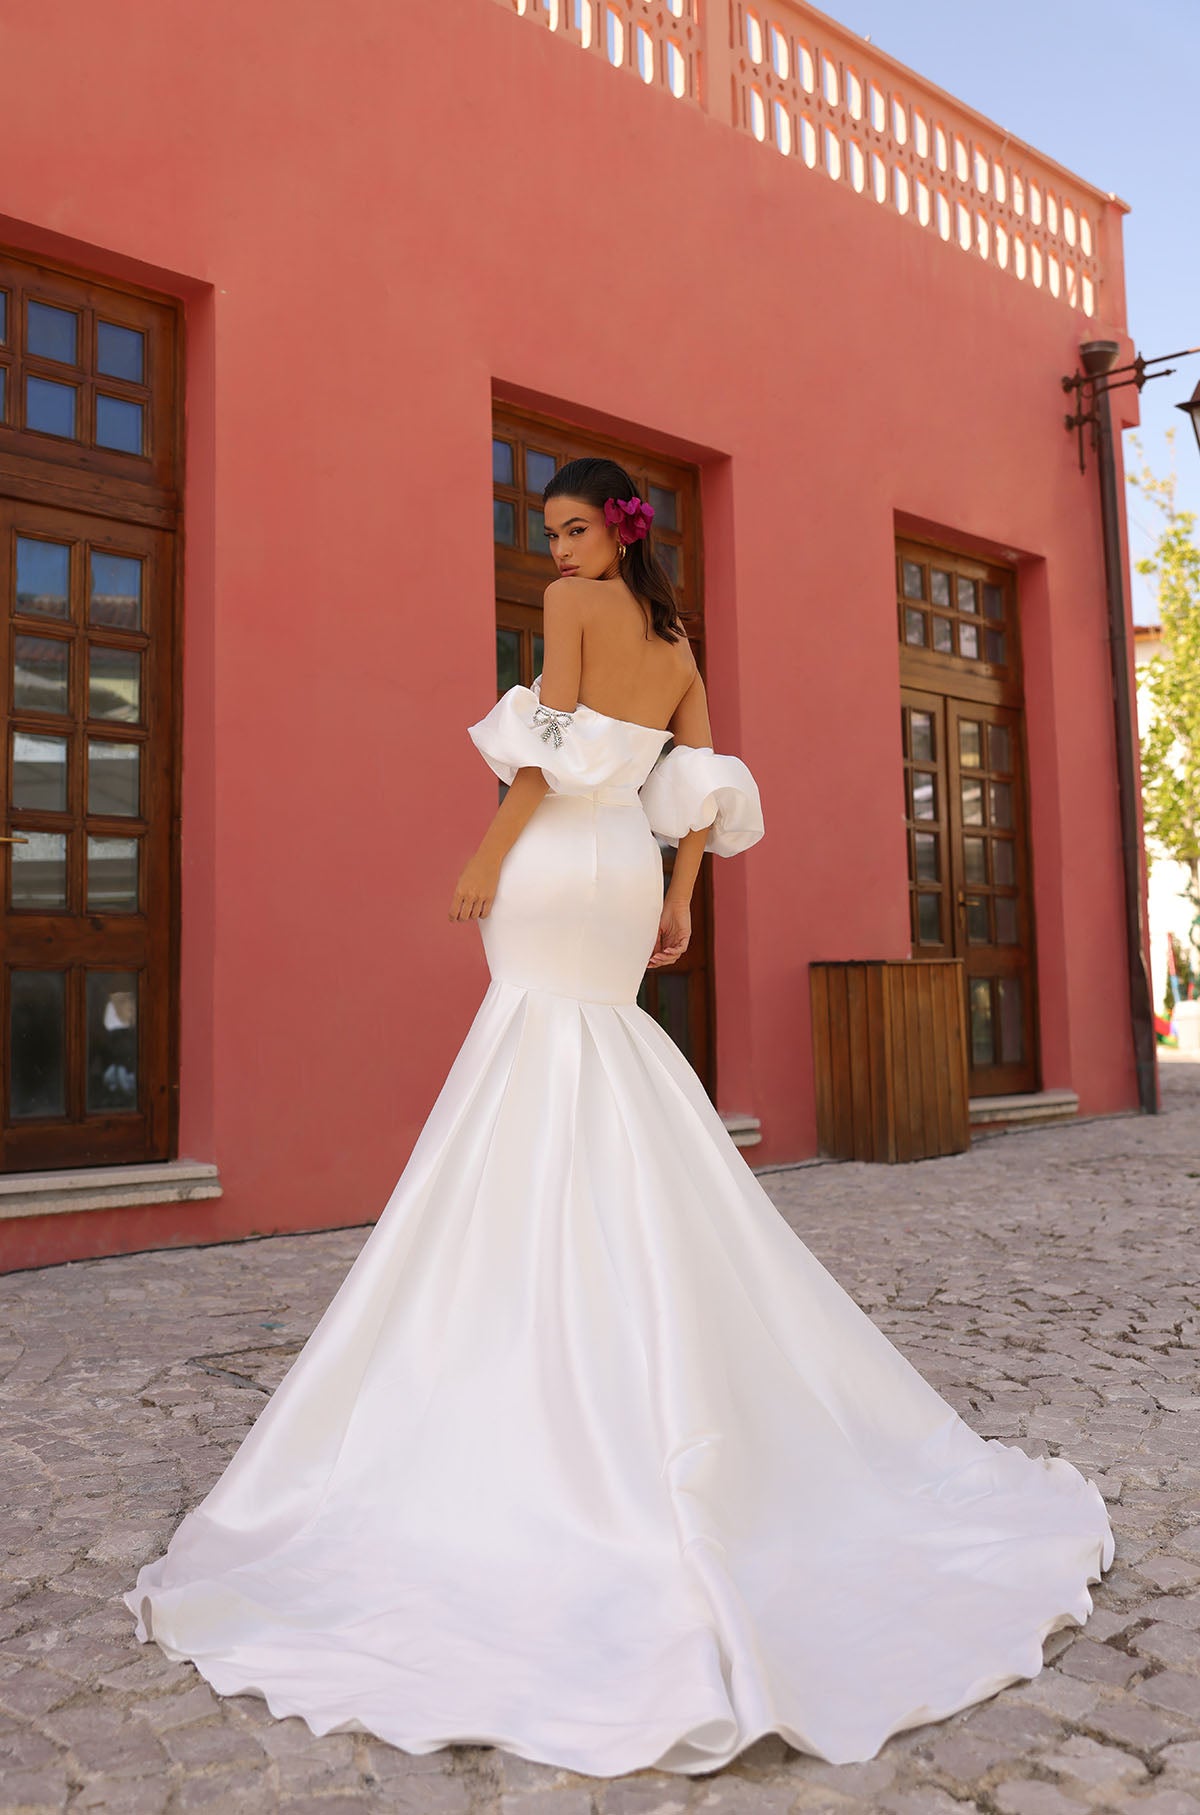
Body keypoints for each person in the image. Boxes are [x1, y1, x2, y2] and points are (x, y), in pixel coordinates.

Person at [125, 456, 1115, 1778]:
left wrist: (484, 851)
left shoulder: (575, 610)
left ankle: (538, 1325)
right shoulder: (677, 636)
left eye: (575, 526)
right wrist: (685, 899)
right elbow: (699, 782)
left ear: (613, 532)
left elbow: (546, 748)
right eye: (552, 531)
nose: (560, 545)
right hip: (629, 873)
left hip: (550, 862)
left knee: (536, 1051)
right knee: (592, 1056)